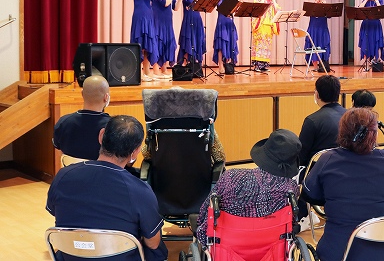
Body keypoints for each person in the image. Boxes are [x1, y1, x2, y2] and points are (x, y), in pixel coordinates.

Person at [46, 115, 167, 261]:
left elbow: (56, 213)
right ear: (135, 152)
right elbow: (153, 243)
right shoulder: (141, 191)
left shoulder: (63, 176)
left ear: (101, 136)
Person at [302, 108, 384, 261]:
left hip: (338, 252)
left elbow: (310, 196)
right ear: (374, 134)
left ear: (342, 131)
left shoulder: (327, 159)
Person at [195, 129, 301, 246]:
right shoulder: (291, 188)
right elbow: (291, 223)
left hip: (229, 245)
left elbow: (206, 210)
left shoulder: (231, 177)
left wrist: (198, 224)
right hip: (271, 246)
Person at [53, 75, 111, 160]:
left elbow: (59, 149)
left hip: (70, 168)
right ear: (106, 97)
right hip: (101, 169)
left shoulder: (63, 122)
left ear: (82, 94)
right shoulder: (113, 127)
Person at [298, 75, 347, 168]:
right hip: (346, 169)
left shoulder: (312, 121)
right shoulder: (352, 117)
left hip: (318, 171)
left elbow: (301, 157)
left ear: (317, 94)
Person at [130, 0, 162, 81]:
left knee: (147, 44)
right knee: (141, 44)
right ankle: (139, 74)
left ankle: (147, 72)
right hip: (141, 17)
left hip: (147, 16)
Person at [152, 0, 182, 79]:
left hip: (167, 23)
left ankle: (164, 69)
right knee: (158, 44)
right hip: (158, 22)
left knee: (167, 44)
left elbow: (176, 8)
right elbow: (165, 3)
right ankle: (156, 70)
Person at [178, 0, 207, 66]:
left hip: (197, 19)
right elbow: (190, 1)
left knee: (197, 40)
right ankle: (184, 64)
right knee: (189, 40)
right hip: (189, 20)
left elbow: (202, 5)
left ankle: (195, 64)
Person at [251, 0, 280, 71]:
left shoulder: (271, 2)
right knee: (259, 45)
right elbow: (258, 7)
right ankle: (257, 66)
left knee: (267, 47)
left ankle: (264, 66)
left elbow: (278, 10)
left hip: (269, 25)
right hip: (260, 25)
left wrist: (274, 0)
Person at [213, 0, 239, 75]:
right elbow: (222, 8)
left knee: (230, 43)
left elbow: (234, 10)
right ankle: (220, 65)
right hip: (222, 22)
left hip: (230, 22)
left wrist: (236, 0)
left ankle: (228, 64)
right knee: (221, 44)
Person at [358, 0, 384, 66]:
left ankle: (375, 61)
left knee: (376, 41)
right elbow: (359, 8)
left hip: (375, 24)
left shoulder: (380, 0)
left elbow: (381, 10)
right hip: (366, 24)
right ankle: (366, 62)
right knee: (366, 42)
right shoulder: (366, 0)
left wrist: (376, 0)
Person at [306, 0, 330, 71]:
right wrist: (316, 5)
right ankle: (315, 67)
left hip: (323, 29)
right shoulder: (311, 6)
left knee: (323, 45)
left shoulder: (325, 6)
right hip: (313, 28)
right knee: (313, 46)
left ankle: (323, 66)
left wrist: (325, 6)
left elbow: (329, 16)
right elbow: (307, 13)